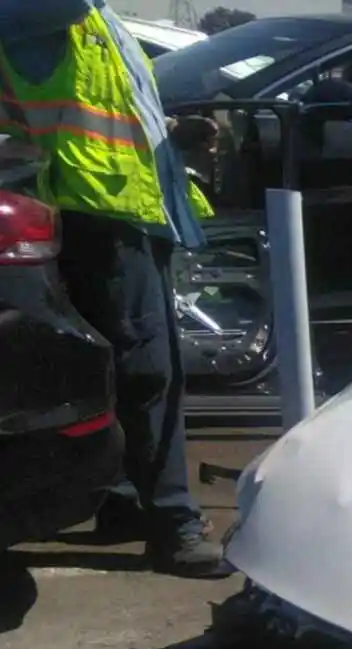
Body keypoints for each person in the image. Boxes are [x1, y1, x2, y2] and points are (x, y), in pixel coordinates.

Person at [0, 0, 229, 576]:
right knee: (149, 370)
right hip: (90, 209)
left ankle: (123, 502)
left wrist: (173, 132)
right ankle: (172, 522)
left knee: (119, 370)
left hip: (126, 208)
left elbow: (108, 103)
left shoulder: (99, 19)